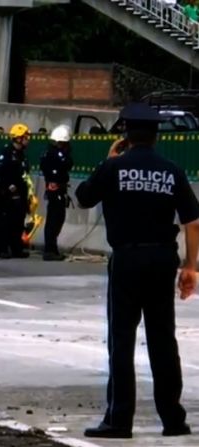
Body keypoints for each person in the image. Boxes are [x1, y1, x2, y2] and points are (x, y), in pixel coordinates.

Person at [76, 103, 197, 440]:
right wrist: (190, 266)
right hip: (162, 260)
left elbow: (84, 197)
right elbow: (193, 223)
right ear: (156, 136)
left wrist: (109, 161)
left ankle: (119, 420)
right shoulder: (171, 171)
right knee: (163, 341)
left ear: (125, 134)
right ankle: (173, 420)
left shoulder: (115, 167)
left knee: (122, 340)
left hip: (127, 260)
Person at [0, 123, 32, 259]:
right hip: (8, 192)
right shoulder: (6, 152)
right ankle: (2, 248)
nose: (28, 140)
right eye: (25, 137)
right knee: (6, 221)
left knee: (18, 221)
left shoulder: (22, 155)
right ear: (18, 138)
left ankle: (16, 248)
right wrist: (8, 185)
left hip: (21, 192)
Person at [40, 124, 74, 261]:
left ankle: (52, 248)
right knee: (54, 219)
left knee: (57, 219)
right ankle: (49, 249)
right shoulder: (55, 154)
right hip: (55, 189)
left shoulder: (51, 153)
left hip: (59, 188)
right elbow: (67, 164)